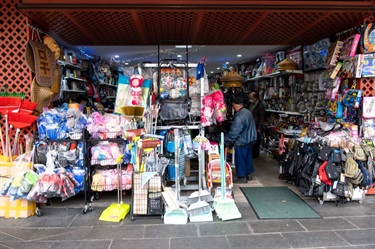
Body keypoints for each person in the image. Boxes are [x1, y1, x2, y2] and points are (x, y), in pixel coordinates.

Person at [224, 97, 257, 183]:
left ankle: (242, 177)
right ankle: (248, 174)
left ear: (234, 106)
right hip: (251, 138)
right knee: (248, 157)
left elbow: (235, 132)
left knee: (240, 158)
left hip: (243, 140)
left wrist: (226, 139)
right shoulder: (247, 112)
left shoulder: (239, 116)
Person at [247, 91, 266, 158]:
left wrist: (259, 127)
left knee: (256, 140)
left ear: (255, 97)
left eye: (251, 97)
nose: (250, 99)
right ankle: (251, 153)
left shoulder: (260, 106)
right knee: (251, 139)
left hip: (256, 125)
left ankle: (255, 154)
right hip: (250, 124)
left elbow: (262, 117)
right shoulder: (250, 104)